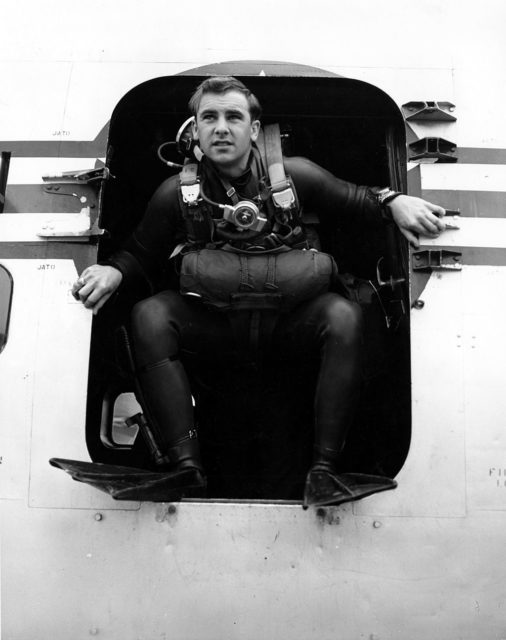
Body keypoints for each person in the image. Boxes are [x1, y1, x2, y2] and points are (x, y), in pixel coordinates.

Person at [72, 76, 447, 507]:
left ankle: (324, 471)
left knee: (344, 315)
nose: (221, 128)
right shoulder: (176, 193)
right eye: (208, 117)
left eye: (234, 117)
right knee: (150, 315)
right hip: (217, 326)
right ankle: (185, 469)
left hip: (290, 326)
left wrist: (392, 201)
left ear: (253, 129)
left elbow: (354, 198)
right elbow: (141, 252)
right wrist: (113, 272)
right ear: (195, 129)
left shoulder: (293, 176)